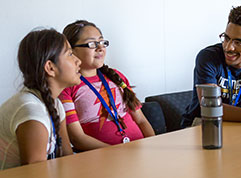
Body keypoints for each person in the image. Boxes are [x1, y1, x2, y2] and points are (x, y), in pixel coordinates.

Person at [59, 20, 155, 151]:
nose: (100, 48)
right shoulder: (67, 86)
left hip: (138, 152)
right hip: (103, 160)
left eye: (102, 42)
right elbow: (77, 138)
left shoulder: (117, 76)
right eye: (92, 44)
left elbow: (141, 121)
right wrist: (116, 153)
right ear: (72, 51)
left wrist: (153, 146)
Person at [0, 29, 81, 170]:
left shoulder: (55, 104)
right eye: (70, 54)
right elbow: (35, 173)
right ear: (50, 67)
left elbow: (66, 156)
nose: (78, 61)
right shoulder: (30, 111)